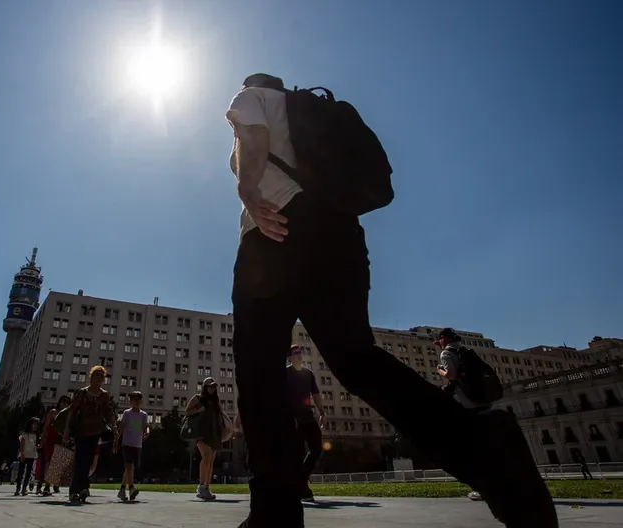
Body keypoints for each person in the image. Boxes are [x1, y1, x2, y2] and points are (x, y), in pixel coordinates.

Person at [224, 73, 557, 528]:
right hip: (338, 235)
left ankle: (274, 512)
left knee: (259, 372)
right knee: (356, 358)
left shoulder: (251, 96)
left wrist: (246, 188)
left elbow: (251, 137)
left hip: (273, 234)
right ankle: (487, 449)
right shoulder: (304, 113)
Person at [436, 327, 488, 501]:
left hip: (464, 403)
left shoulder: (446, 354)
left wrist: (440, 371)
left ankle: (484, 487)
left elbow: (451, 375)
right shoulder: (465, 351)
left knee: (470, 447)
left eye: (440, 340)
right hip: (480, 400)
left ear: (443, 338)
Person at [63, 365, 117, 503]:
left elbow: (109, 413)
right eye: (96, 375)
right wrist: (66, 432)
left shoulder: (104, 395)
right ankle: (76, 490)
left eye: (101, 376)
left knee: (88, 461)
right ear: (91, 377)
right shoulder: (82, 393)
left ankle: (82, 489)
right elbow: (72, 412)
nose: (99, 377)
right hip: (81, 430)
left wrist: (114, 429)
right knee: (81, 460)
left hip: (96, 432)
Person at [287, 345, 326, 501]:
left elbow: (315, 393)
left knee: (317, 447)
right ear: (289, 357)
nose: (299, 355)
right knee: (296, 453)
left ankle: (301, 479)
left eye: (300, 352)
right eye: (295, 353)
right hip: (292, 418)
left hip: (308, 416)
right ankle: (302, 488)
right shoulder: (285, 373)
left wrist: (322, 412)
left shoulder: (308, 374)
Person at [185, 377, 223, 500]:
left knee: (211, 460)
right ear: (205, 388)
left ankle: (206, 488)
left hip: (214, 433)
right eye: (210, 386)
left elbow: (219, 415)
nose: (212, 389)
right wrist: (198, 410)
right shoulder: (198, 398)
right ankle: (201, 486)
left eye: (213, 387)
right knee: (206, 456)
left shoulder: (216, 400)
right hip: (201, 433)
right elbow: (187, 412)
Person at [114, 391, 149, 501]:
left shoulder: (143, 415)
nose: (137, 402)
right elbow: (121, 428)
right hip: (127, 443)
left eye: (138, 400)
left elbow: (145, 427)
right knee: (129, 466)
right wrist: (116, 442)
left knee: (130, 468)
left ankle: (122, 489)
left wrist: (147, 432)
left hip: (137, 444)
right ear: (131, 402)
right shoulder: (127, 413)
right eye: (134, 400)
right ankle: (132, 488)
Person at [39, 395, 71, 496]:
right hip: (51, 440)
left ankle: (53, 483)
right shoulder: (53, 412)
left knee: (58, 463)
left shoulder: (68, 415)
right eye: (63, 401)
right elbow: (46, 425)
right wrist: (42, 437)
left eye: (67, 402)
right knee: (50, 461)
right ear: (59, 402)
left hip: (60, 440)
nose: (64, 404)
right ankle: (47, 485)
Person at [15, 417, 40, 496]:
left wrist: (38, 446)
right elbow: (21, 445)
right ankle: (18, 488)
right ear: (30, 424)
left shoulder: (36, 436)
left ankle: (24, 488)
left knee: (28, 473)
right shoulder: (25, 434)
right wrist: (22, 454)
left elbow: (36, 446)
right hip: (24, 455)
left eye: (37, 424)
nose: (35, 426)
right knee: (21, 472)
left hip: (32, 455)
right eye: (34, 424)